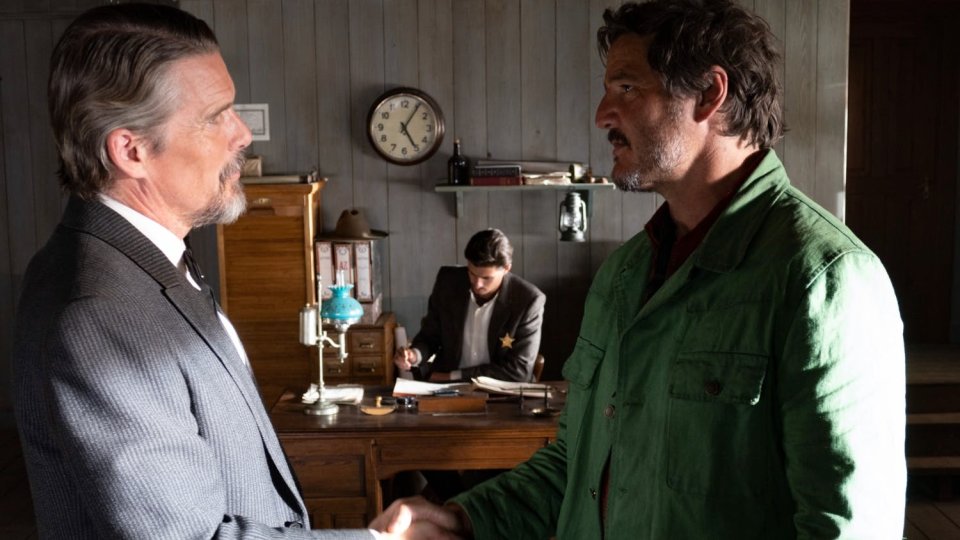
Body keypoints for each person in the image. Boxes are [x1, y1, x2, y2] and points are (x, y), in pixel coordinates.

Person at [370, 1, 906, 538]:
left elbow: (849, 527)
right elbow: (577, 466)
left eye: (627, 88)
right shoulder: (623, 275)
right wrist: (463, 517)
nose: (602, 114)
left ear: (709, 94)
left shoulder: (825, 279)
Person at [11, 4, 448, 539]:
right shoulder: (99, 315)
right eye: (215, 116)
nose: (242, 134)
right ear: (131, 150)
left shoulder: (145, 257)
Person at [394, 229, 546, 383]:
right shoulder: (448, 281)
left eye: (486, 278)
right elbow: (430, 335)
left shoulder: (528, 300)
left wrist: (454, 376)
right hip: (446, 390)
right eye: (472, 273)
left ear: (506, 268)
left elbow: (519, 372)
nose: (477, 284)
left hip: (500, 390)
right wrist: (414, 355)